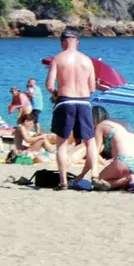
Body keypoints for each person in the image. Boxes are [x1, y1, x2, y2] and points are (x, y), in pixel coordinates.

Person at [46, 28, 101, 190]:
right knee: (90, 141)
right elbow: (92, 88)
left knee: (61, 144)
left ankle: (63, 180)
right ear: (77, 42)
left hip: (65, 101)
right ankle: (95, 174)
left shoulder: (57, 59)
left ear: (63, 42)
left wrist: (57, 93)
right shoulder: (87, 61)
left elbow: (49, 86)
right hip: (84, 102)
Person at [94, 109, 134, 189]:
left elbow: (94, 152)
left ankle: (126, 180)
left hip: (125, 161)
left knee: (98, 181)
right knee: (113, 178)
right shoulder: (124, 124)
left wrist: (83, 174)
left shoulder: (100, 126)